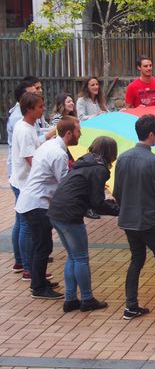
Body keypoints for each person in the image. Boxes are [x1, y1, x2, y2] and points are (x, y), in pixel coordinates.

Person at [113, 114, 155, 321]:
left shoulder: (122, 158)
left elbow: (117, 192)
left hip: (128, 219)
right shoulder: (154, 161)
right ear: (151, 134)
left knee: (136, 259)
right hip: (150, 219)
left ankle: (131, 305)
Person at [48, 136, 120, 312]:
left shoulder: (84, 162)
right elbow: (97, 202)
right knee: (80, 257)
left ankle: (70, 299)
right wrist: (118, 209)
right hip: (70, 214)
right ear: (111, 152)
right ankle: (87, 299)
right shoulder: (99, 169)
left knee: (73, 256)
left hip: (56, 210)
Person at [15, 116, 81, 299]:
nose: (80, 134)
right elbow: (64, 185)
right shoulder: (58, 154)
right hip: (37, 203)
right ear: (69, 133)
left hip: (33, 201)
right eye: (78, 131)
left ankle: (39, 281)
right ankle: (38, 287)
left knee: (41, 244)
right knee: (43, 245)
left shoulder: (50, 145)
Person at [9, 92, 45, 278]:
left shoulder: (29, 126)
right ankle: (28, 267)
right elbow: (31, 159)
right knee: (26, 226)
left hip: (23, 181)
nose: (43, 109)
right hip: (24, 183)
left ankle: (22, 262)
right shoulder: (23, 129)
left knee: (22, 223)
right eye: (40, 107)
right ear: (30, 109)